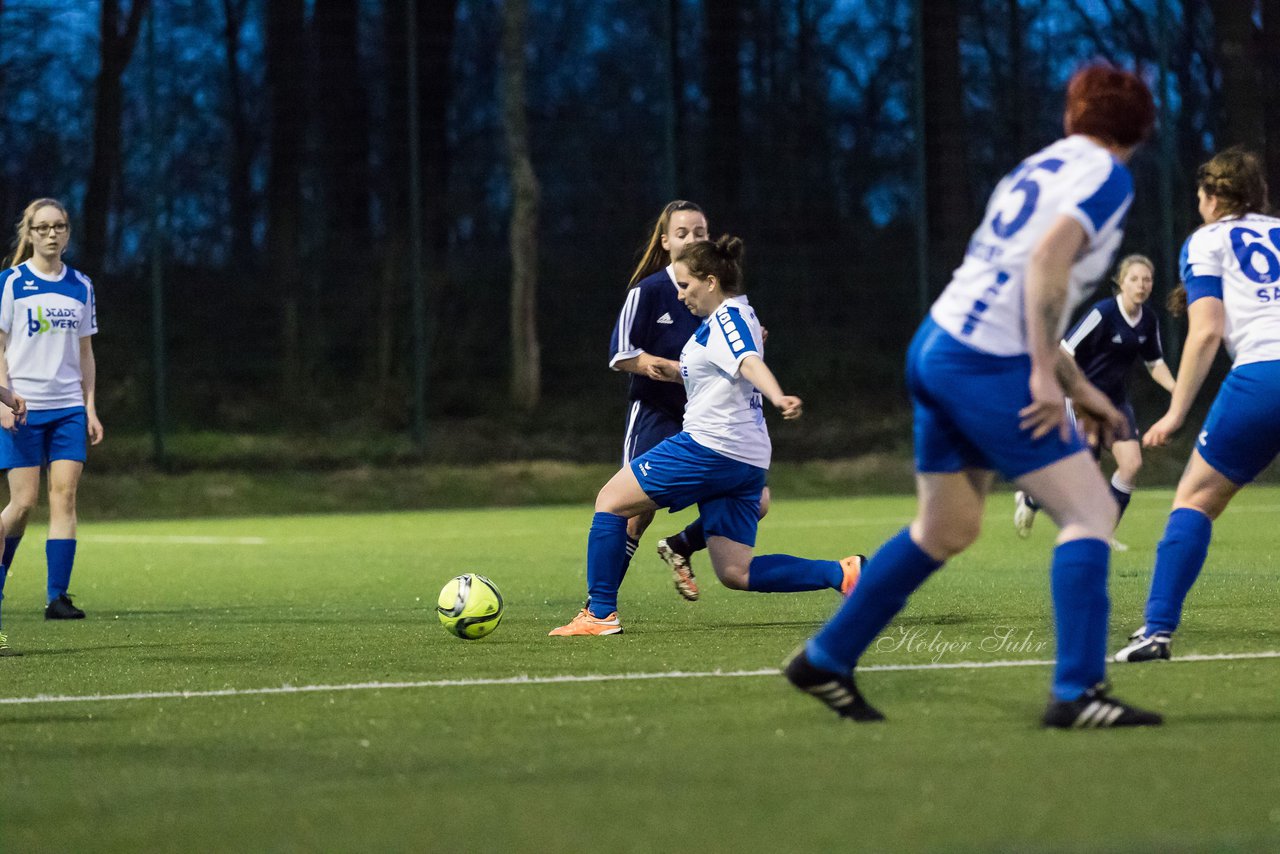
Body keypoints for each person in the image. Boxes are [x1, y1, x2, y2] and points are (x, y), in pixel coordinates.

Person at [785, 64, 1163, 728]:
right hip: (987, 362)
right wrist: (1049, 378)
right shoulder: (1108, 176)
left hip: (937, 344)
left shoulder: (1038, 165)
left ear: (1074, 116)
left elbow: (1016, 276)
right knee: (1089, 512)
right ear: (1139, 128)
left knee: (946, 528)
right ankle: (1077, 693)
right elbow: (1047, 264)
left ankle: (826, 656)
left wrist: (1082, 390)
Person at [552, 235, 862, 636]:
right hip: (745, 459)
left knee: (610, 502)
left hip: (711, 447)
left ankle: (599, 614)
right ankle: (844, 573)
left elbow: (748, 362)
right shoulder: (734, 318)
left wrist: (778, 395)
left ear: (711, 281)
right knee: (736, 571)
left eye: (686, 285)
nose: (681, 295)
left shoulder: (729, 319)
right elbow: (723, 369)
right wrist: (671, 371)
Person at [1114, 148, 1279, 663]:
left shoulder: (1206, 240)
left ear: (1211, 198)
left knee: (1194, 500)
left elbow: (1206, 332)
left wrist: (1176, 412)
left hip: (1263, 376)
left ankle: (1157, 631)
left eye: (1200, 196)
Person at [608, 201, 770, 602]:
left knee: (759, 501)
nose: (693, 239)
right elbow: (620, 353)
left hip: (710, 418)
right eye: (683, 233)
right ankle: (600, 604)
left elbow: (735, 350)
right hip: (659, 412)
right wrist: (661, 366)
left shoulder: (718, 290)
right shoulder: (648, 291)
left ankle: (681, 545)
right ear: (665, 242)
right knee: (634, 512)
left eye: (700, 232)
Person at [1014, 254, 1176, 547]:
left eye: (1147, 279)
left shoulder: (1148, 320)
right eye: (1134, 279)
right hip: (1080, 400)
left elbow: (1155, 363)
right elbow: (1064, 351)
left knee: (1131, 464)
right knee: (1081, 473)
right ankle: (1033, 497)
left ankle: (1101, 535)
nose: (1141, 285)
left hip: (1115, 401)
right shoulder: (1102, 313)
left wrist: (1178, 390)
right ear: (1121, 283)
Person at [0, 198, 102, 626]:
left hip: (67, 410)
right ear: (29, 232)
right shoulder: (11, 282)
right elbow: (0, 346)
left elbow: (85, 352)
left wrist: (90, 407)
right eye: (42, 227)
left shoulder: (81, 284)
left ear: (68, 231)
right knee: (23, 504)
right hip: (21, 409)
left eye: (58, 226)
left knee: (66, 497)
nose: (51, 234)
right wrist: (2, 399)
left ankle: (57, 597)